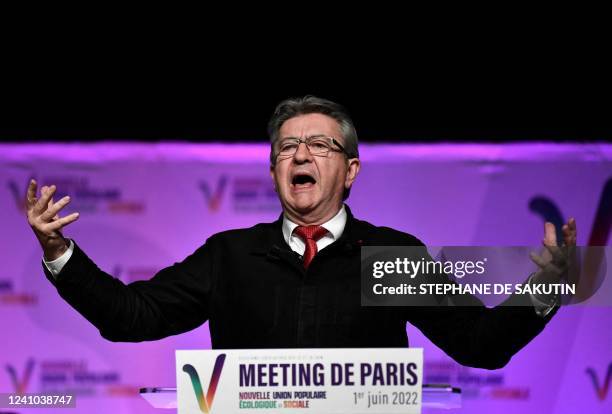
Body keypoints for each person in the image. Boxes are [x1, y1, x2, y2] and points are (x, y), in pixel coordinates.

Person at [26, 96, 576, 370]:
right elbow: (130, 317)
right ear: (273, 171)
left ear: (351, 170)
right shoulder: (232, 256)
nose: (301, 155)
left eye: (320, 145)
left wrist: (547, 286)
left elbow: (480, 345)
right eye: (287, 147)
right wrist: (60, 253)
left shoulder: (388, 256)